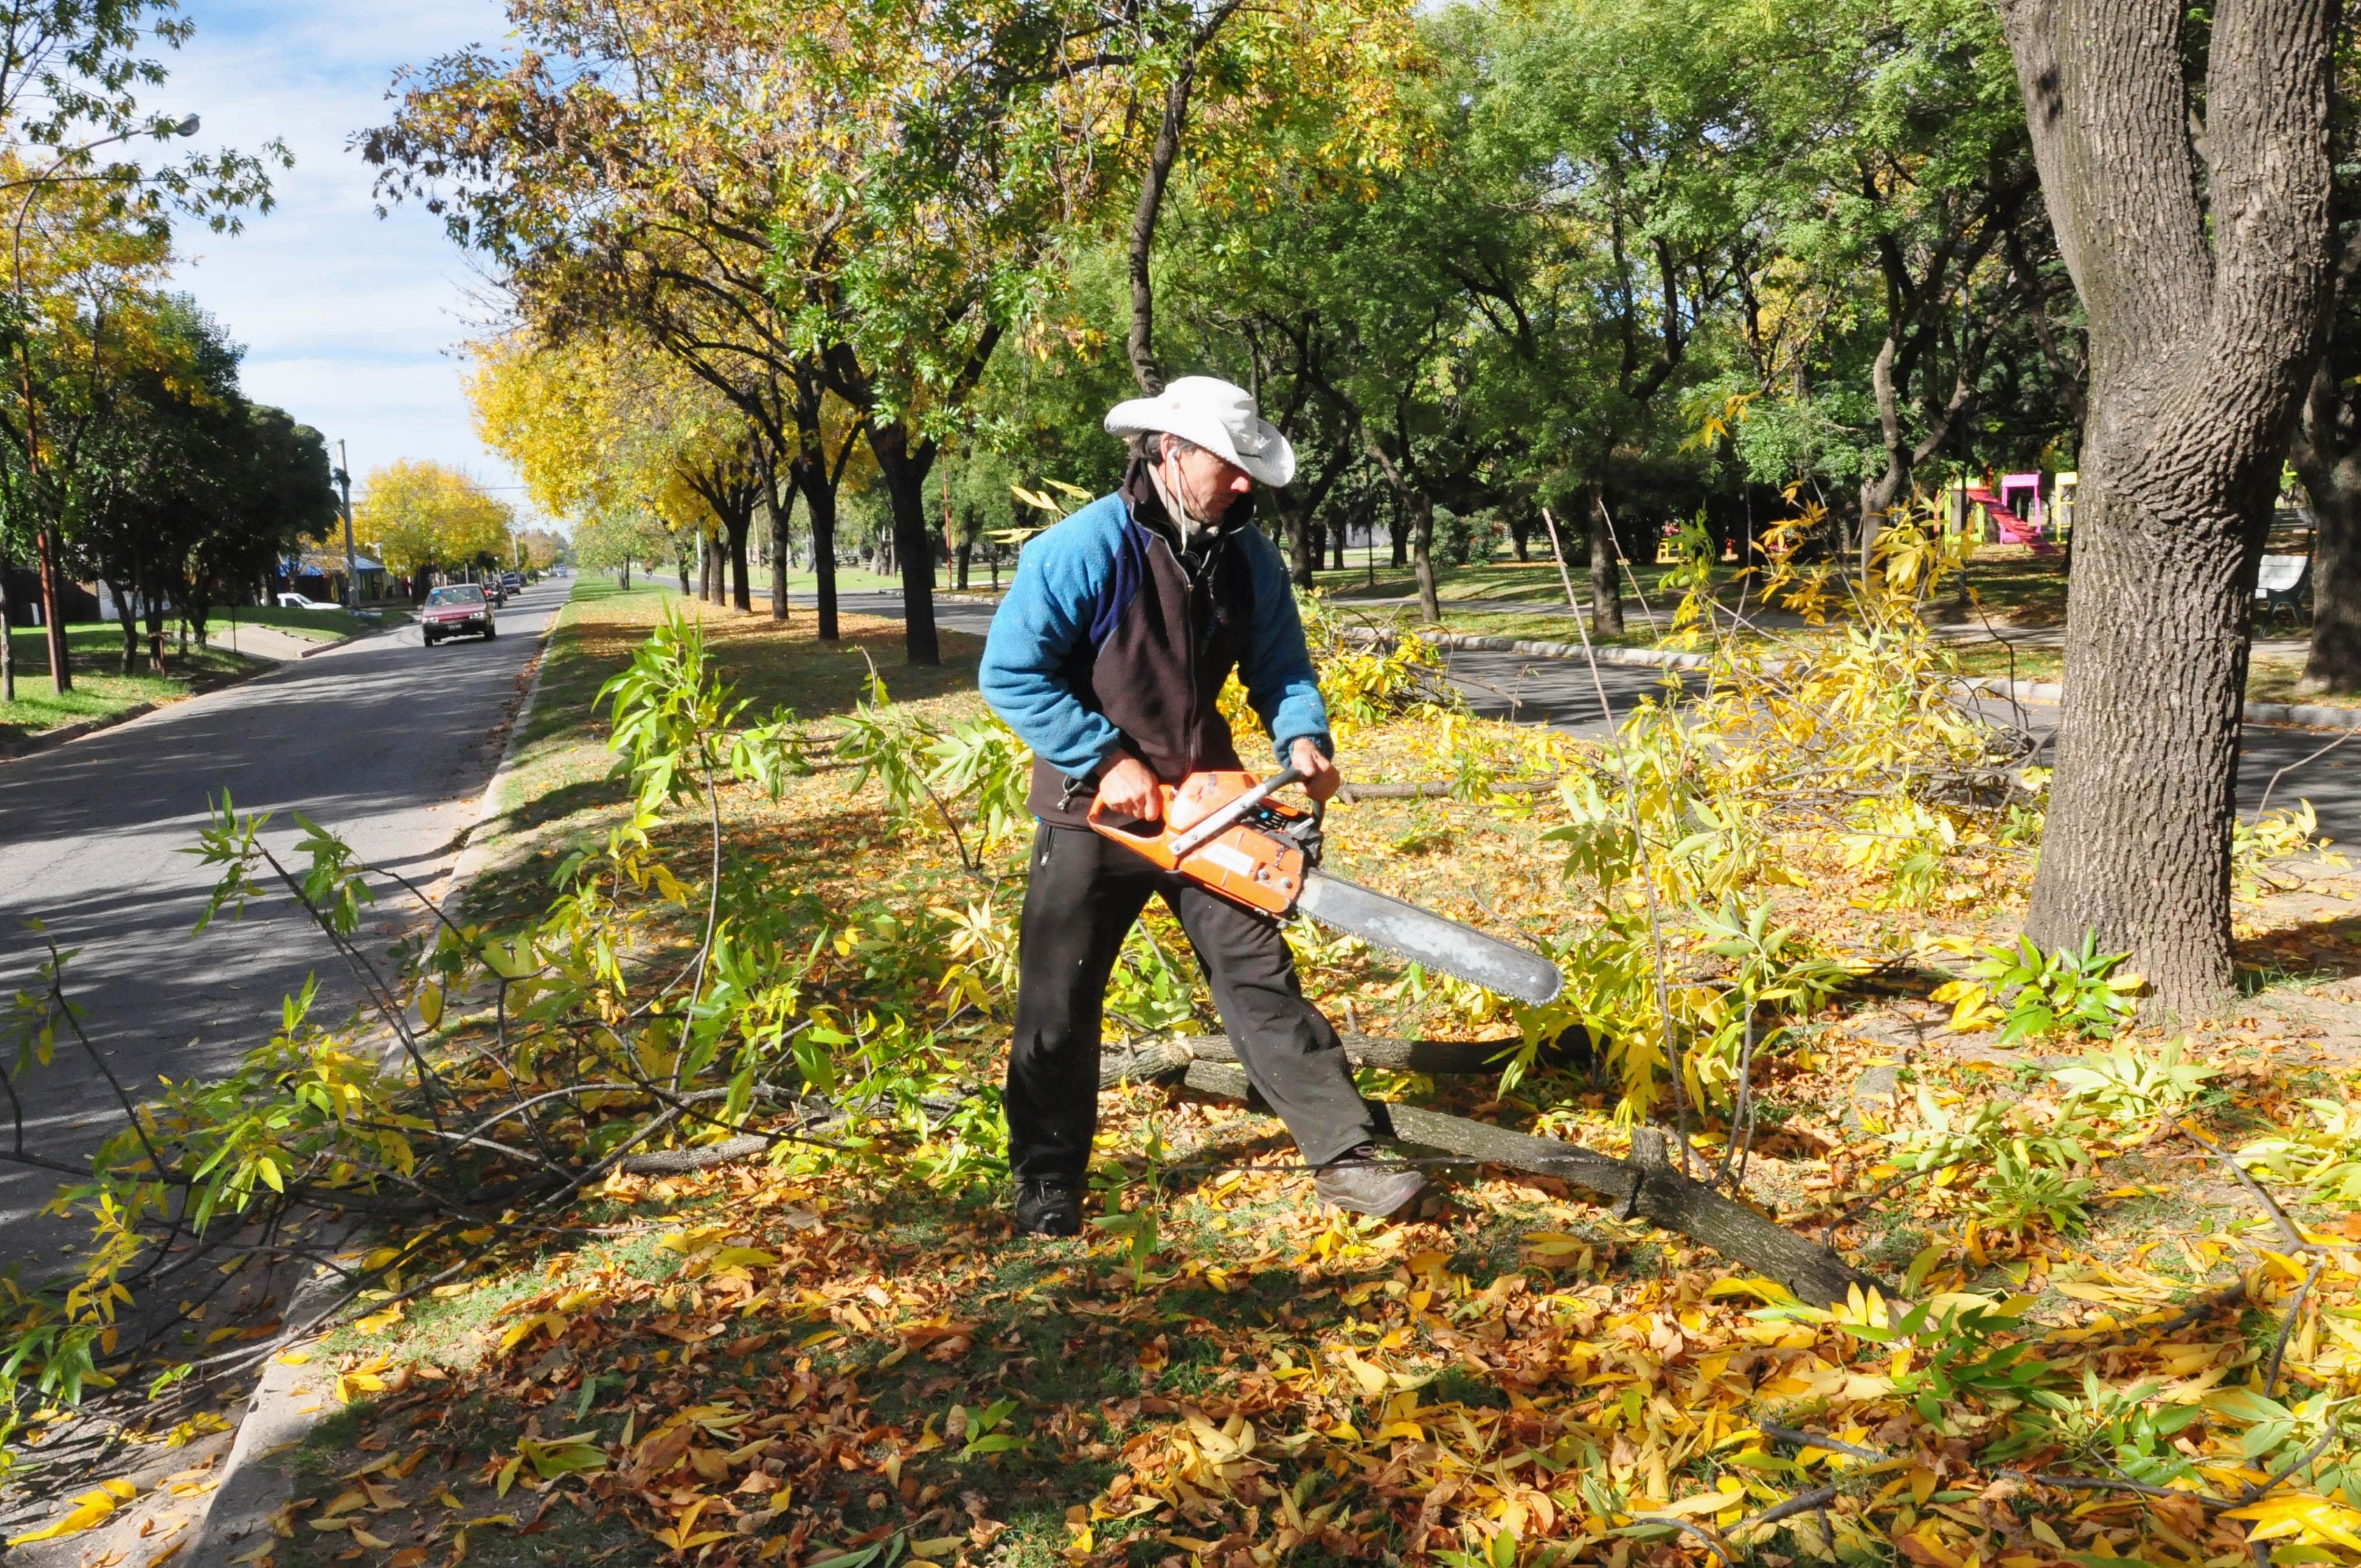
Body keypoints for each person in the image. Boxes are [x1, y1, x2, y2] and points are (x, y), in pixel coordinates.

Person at [979, 376, 1428, 1238]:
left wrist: (1301, 737)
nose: (1246, 483)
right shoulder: (1083, 548)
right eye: (1231, 465)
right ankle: (1046, 1181)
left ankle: (1348, 1159)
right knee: (1058, 1001)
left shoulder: (1246, 555)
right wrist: (1104, 757)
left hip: (1210, 807)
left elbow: (1283, 666)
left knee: (1259, 974)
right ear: (1171, 453)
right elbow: (1010, 672)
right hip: (1093, 810)